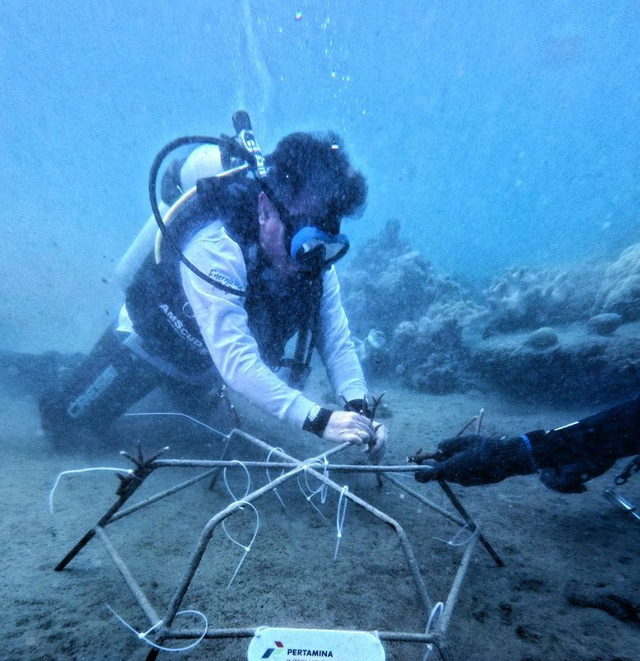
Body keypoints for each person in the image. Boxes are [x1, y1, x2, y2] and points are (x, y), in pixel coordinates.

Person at [35, 121, 387, 457]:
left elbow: (335, 339)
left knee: (198, 422)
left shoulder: (311, 260)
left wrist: (359, 411)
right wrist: (320, 420)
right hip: (147, 349)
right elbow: (236, 361)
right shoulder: (215, 245)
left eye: (325, 245)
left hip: (203, 373)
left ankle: (104, 374)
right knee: (63, 420)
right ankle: (43, 369)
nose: (312, 259)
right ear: (265, 211)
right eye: (305, 242)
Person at [414, 392, 640, 493]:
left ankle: (501, 455)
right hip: (533, 450)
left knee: (483, 461)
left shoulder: (612, 437)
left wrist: (505, 453)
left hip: (528, 453)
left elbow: (598, 450)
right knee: (470, 456)